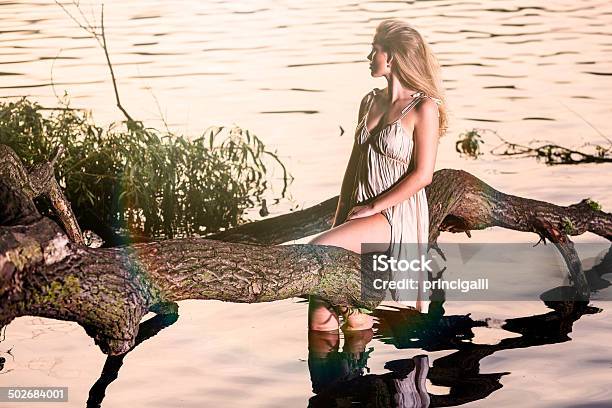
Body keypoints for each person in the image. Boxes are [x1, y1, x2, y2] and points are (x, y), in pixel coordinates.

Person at [308, 19, 448, 332]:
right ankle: (331, 372)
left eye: (375, 50)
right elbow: (352, 167)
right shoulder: (369, 101)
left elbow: (423, 175)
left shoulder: (423, 107)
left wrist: (373, 207)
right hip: (360, 210)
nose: (369, 56)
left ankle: (354, 320)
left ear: (393, 56)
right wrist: (340, 219)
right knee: (320, 294)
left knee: (315, 254)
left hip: (393, 214)